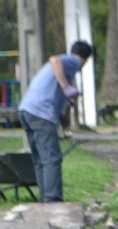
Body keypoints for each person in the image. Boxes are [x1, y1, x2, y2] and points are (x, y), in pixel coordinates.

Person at [18, 40, 92, 202]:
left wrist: (64, 118)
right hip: (41, 112)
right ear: (85, 60)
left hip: (26, 109)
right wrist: (66, 87)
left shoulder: (65, 72)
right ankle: (52, 201)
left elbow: (60, 98)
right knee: (52, 158)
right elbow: (54, 60)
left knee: (40, 160)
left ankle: (45, 199)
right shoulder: (72, 61)